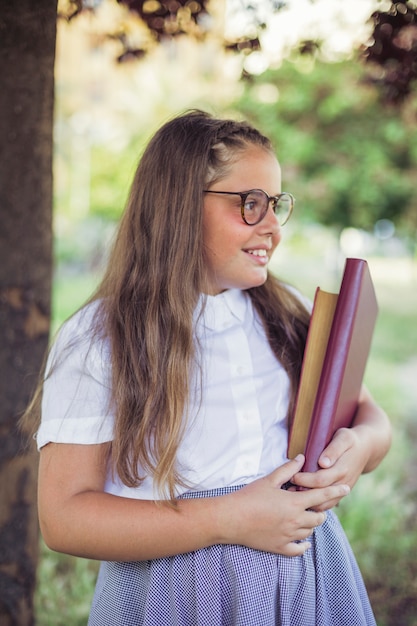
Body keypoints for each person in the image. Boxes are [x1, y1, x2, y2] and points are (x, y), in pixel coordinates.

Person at [29, 110, 391, 625]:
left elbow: (373, 420)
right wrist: (228, 519)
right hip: (174, 597)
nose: (272, 227)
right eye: (250, 204)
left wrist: (360, 448)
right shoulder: (100, 339)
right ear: (178, 207)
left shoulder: (286, 311)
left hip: (310, 584)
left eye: (276, 206)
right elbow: (63, 518)